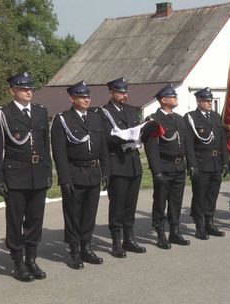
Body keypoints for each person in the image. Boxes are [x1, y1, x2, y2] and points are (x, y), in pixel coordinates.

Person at [0, 72, 52, 281]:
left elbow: (45, 144)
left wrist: (47, 170)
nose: (28, 91)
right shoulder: (2, 114)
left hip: (38, 174)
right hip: (15, 174)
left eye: (30, 88)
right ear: (12, 90)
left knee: (35, 219)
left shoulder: (41, 111)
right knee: (15, 221)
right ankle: (17, 261)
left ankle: (31, 259)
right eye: (23, 88)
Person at [51, 81, 110, 269]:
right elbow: (59, 153)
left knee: (89, 214)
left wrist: (105, 172)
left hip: (93, 172)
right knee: (73, 214)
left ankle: (86, 247)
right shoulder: (63, 120)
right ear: (72, 98)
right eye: (82, 97)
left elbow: (103, 148)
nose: (86, 99)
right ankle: (74, 250)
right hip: (75, 173)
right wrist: (65, 178)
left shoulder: (95, 118)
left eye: (88, 96)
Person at [141, 84, 197, 249]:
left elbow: (188, 144)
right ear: (163, 100)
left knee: (176, 201)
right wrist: (156, 171)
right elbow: (151, 147)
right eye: (172, 96)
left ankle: (175, 231)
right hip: (164, 167)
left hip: (179, 167)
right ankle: (160, 233)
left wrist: (192, 163)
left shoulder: (179, 119)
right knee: (160, 201)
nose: (176, 98)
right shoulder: (154, 120)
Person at [98, 77, 146, 258]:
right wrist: (125, 136)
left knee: (130, 205)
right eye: (120, 92)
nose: (124, 95)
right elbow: (105, 139)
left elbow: (138, 131)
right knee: (117, 205)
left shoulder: (132, 111)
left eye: (125, 92)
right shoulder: (104, 113)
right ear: (111, 92)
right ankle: (116, 242)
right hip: (117, 163)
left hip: (133, 163)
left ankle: (129, 238)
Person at [184, 88, 228, 240]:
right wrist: (192, 164)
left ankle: (210, 223)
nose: (210, 103)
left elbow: (222, 140)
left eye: (211, 100)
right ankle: (199, 225)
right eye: (207, 100)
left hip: (216, 163)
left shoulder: (215, 117)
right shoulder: (191, 117)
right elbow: (188, 143)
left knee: (212, 195)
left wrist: (225, 161)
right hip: (201, 163)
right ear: (198, 101)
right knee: (199, 196)